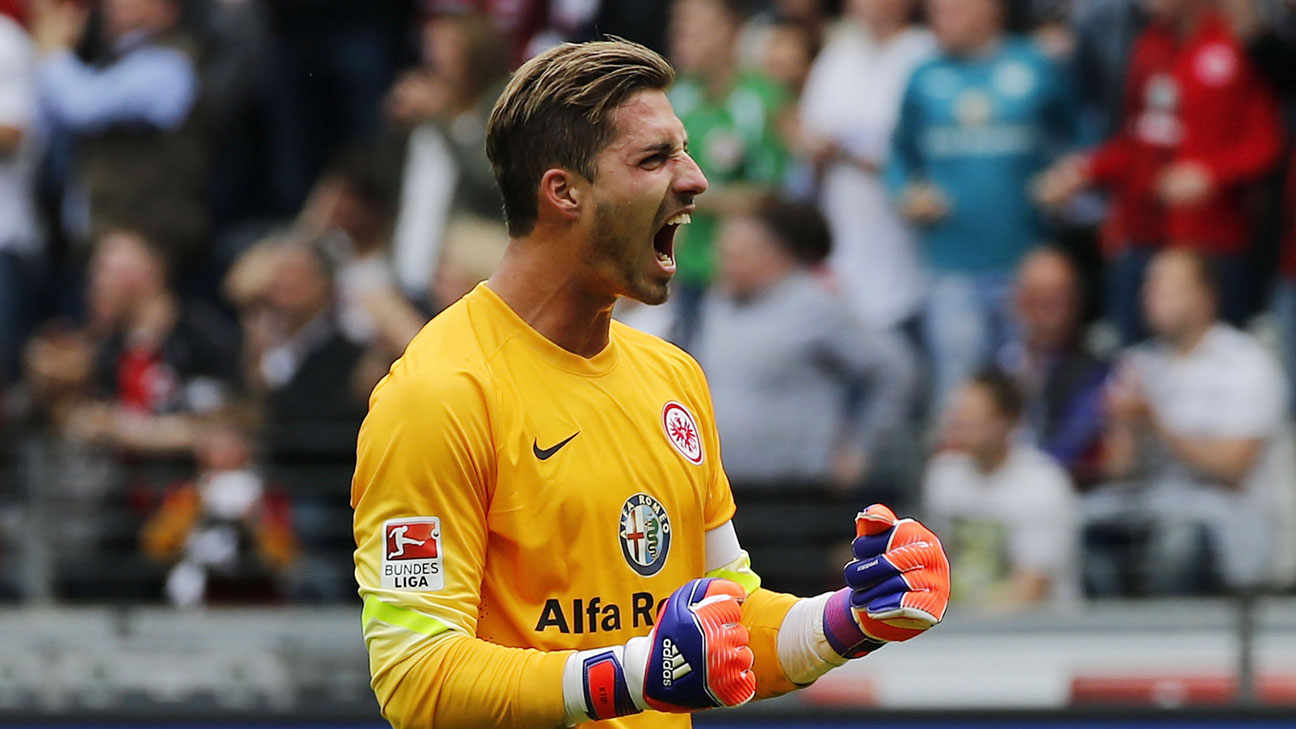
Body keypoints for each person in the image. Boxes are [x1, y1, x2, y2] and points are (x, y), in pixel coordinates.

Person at [351, 40, 949, 728]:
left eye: (684, 151)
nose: (695, 180)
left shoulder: (674, 376)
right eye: (654, 158)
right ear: (563, 192)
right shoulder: (437, 395)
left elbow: (727, 617)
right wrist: (634, 673)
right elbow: (417, 679)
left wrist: (854, 616)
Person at [694, 199, 918, 596]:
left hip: (795, 501)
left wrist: (861, 448)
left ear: (776, 253)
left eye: (738, 252)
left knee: (792, 618)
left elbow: (892, 370)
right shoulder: (715, 305)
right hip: (728, 497)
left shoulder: (816, 304)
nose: (725, 261)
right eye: (723, 252)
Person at [1035, 0, 1284, 344]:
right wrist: (1086, 168)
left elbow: (1267, 144)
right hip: (1144, 238)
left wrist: (1211, 174)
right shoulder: (1148, 46)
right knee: (1135, 358)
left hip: (1212, 244)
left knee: (1210, 362)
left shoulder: (1237, 45)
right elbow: (1137, 141)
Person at [887, 0, 1077, 411]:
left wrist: (1067, 177)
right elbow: (900, 156)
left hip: (1022, 260)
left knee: (1026, 388)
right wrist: (908, 192)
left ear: (990, 9)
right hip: (951, 264)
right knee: (959, 391)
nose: (938, 16)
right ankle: (952, 468)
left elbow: (1081, 133)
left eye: (951, 8)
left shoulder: (1035, 65)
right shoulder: (924, 77)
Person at [1086, 249, 1294, 595]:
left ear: (1204, 297)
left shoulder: (1246, 364)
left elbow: (1233, 469)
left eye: (1163, 287)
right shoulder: (1137, 363)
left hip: (1223, 521)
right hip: (1151, 508)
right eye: (1147, 287)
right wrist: (1129, 431)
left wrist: (1156, 425)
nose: (1147, 296)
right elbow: (1117, 472)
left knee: (1177, 544)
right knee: (1089, 529)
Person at [31, 0, 209, 265]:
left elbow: (83, 107)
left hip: (148, 244)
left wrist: (55, 52)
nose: (113, 5)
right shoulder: (110, 60)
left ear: (167, 9)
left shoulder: (170, 64)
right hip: (88, 240)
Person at [795, 0, 933, 334]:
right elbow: (809, 136)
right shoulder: (838, 55)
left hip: (907, 235)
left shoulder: (924, 52)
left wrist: (847, 152)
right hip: (844, 228)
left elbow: (922, 149)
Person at [666, 0, 791, 348]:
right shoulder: (677, 99)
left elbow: (772, 197)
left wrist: (689, 194)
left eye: (696, 24)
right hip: (685, 274)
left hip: (745, 283)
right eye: (679, 23)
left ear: (731, 30)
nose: (681, 34)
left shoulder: (761, 100)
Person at [924, 369, 1078, 608]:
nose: (958, 424)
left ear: (1006, 422)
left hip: (1037, 633)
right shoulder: (944, 475)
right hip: (955, 628)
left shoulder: (1043, 485)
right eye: (956, 414)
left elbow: (1031, 589)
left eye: (970, 416)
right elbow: (934, 566)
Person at [997, 248, 1109, 486]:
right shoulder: (998, 365)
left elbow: (1067, 452)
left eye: (1058, 295)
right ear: (1016, 299)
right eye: (1037, 294)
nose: (1048, 306)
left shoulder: (1097, 375)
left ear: (1077, 301)